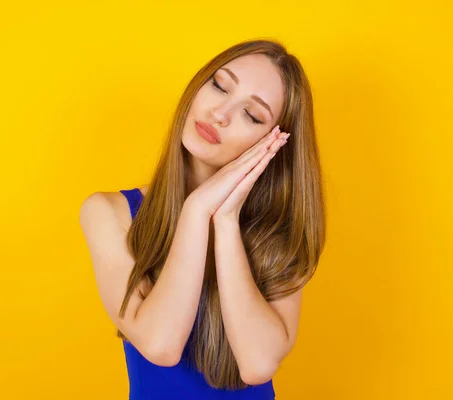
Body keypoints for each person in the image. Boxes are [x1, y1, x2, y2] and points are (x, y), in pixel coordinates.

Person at [79, 38, 326, 399]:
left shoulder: (280, 233)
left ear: (273, 144)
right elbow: (160, 344)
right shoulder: (110, 213)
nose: (220, 114)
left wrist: (225, 221)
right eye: (219, 85)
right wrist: (197, 210)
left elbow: (257, 363)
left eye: (251, 115)